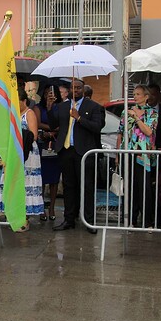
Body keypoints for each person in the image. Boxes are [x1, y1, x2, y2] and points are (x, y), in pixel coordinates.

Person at [48, 78, 105, 232]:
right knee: (69, 186)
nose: (76, 91)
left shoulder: (93, 107)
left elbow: (97, 127)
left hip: (84, 152)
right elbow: (53, 126)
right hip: (66, 151)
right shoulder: (62, 106)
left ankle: (89, 221)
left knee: (86, 187)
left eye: (79, 88)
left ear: (83, 90)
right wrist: (50, 108)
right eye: (73, 88)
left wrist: (79, 118)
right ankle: (69, 219)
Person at [1, 89, 44, 231]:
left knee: (25, 183)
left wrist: (18, 135)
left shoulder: (29, 114)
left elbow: (33, 135)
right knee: (12, 182)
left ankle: (24, 218)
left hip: (27, 153)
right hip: (13, 152)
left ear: (24, 101)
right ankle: (14, 213)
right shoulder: (12, 114)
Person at [116, 85, 158, 227]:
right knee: (129, 187)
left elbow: (148, 132)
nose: (135, 96)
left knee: (144, 187)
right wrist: (117, 153)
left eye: (139, 94)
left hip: (143, 154)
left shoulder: (152, 113)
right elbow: (120, 132)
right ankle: (130, 220)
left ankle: (147, 221)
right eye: (134, 94)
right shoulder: (125, 112)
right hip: (127, 152)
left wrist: (136, 118)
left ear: (146, 97)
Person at [36, 84, 62, 221]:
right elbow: (38, 123)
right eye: (46, 93)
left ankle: (51, 207)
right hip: (42, 143)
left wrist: (53, 132)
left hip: (55, 144)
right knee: (42, 178)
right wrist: (51, 129)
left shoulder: (60, 107)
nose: (48, 96)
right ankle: (41, 208)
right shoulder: (38, 108)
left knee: (54, 179)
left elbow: (62, 124)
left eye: (51, 94)